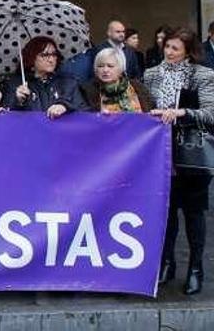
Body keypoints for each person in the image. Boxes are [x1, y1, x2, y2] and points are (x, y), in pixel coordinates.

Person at [145, 28, 214, 295]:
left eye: (175, 48)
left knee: (194, 212)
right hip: (160, 151)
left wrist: (181, 112)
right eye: (167, 47)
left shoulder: (203, 75)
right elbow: (145, 104)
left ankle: (196, 268)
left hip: (192, 150)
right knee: (167, 210)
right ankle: (167, 262)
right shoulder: (152, 74)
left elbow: (210, 114)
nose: (169, 52)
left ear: (188, 50)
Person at [3, 36, 88, 118]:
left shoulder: (68, 83)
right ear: (31, 58)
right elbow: (5, 117)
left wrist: (65, 106)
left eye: (54, 54)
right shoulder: (15, 84)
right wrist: (18, 101)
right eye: (44, 55)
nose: (51, 60)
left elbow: (85, 113)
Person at [80, 48, 153, 113]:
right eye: (100, 66)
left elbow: (152, 110)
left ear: (121, 69)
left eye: (110, 66)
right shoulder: (87, 90)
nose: (105, 70)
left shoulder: (138, 87)